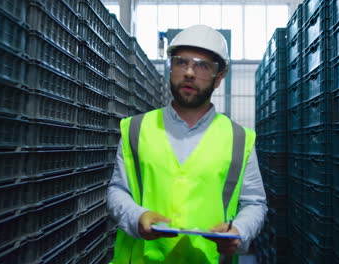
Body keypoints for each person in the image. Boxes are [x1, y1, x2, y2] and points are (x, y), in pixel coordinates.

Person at [107, 24, 267, 264]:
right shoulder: (136, 129)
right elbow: (118, 190)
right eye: (182, 62)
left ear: (218, 78)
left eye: (202, 66)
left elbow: (254, 203)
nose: (190, 72)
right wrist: (136, 217)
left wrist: (239, 231)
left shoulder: (239, 138)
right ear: (171, 69)